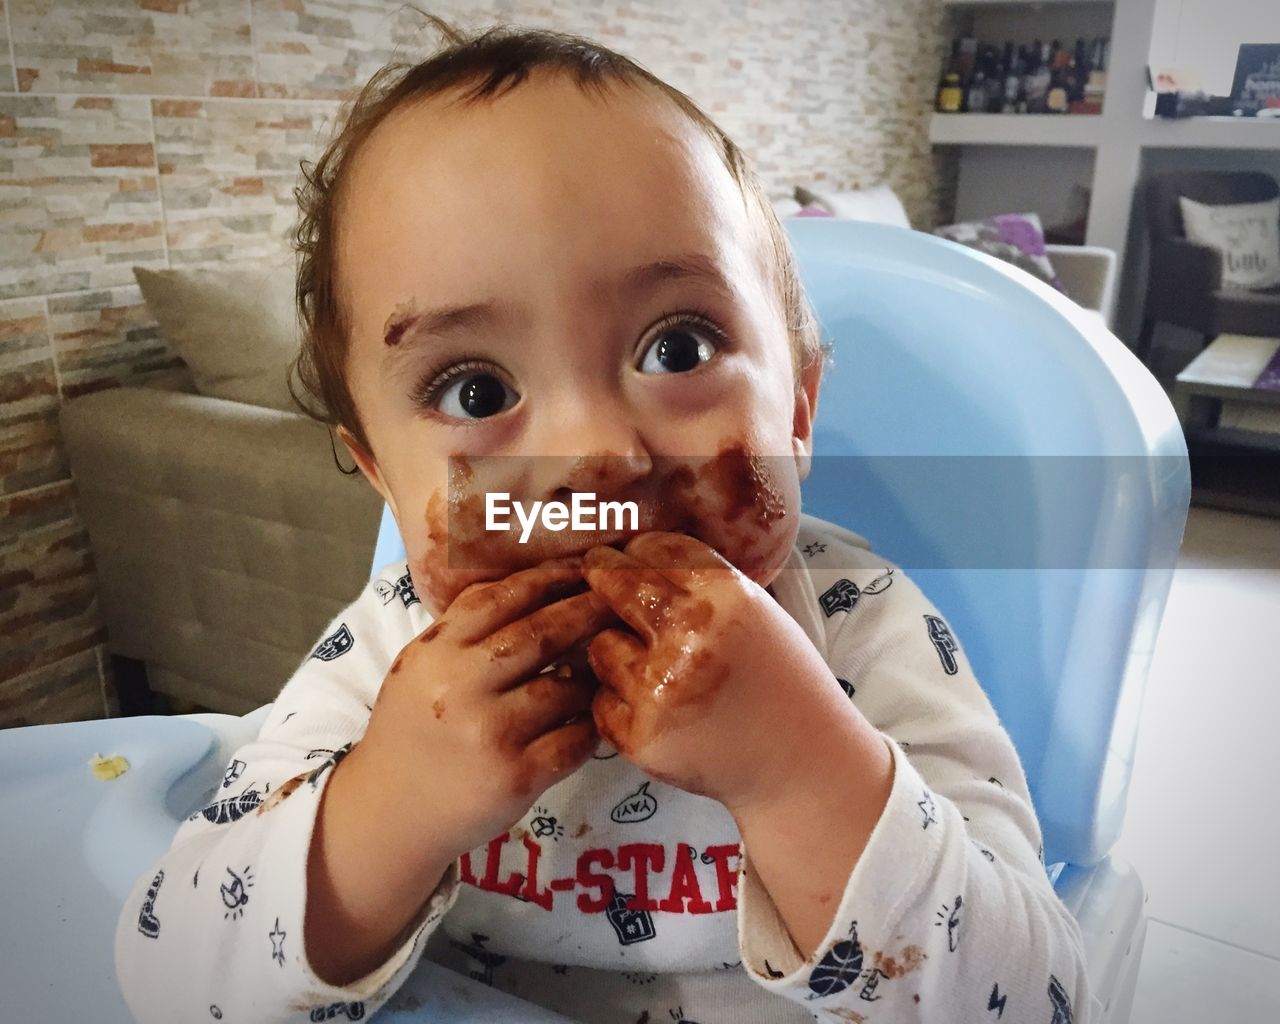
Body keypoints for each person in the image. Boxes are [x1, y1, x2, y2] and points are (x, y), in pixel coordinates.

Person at [115, 15, 1098, 1024]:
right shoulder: (385, 660)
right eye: (474, 390)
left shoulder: (861, 630)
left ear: (795, 415)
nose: (596, 452)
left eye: (677, 348)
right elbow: (170, 974)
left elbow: (1038, 999)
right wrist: (387, 811)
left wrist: (799, 770)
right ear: (382, 476)